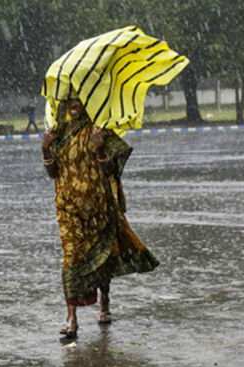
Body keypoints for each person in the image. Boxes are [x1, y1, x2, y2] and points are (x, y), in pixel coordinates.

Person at [40, 95, 159, 339]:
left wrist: (100, 148)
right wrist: (45, 148)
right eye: (68, 101)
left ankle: (104, 300)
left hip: (97, 206)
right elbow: (53, 173)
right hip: (67, 207)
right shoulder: (58, 134)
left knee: (101, 255)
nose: (73, 106)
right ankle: (71, 317)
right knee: (71, 257)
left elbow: (112, 170)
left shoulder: (98, 130)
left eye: (78, 100)